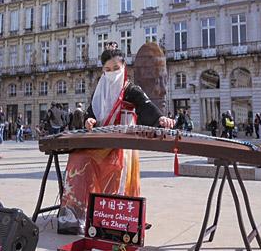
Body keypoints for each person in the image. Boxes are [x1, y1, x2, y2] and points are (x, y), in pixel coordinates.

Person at [58, 42, 175, 234]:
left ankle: (112, 218)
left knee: (116, 163)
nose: (112, 73)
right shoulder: (99, 90)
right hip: (100, 143)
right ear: (103, 70)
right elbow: (91, 113)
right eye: (107, 69)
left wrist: (160, 118)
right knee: (78, 159)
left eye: (116, 68)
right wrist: (89, 121)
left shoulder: (130, 89)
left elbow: (145, 105)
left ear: (123, 68)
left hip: (122, 145)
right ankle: (75, 215)